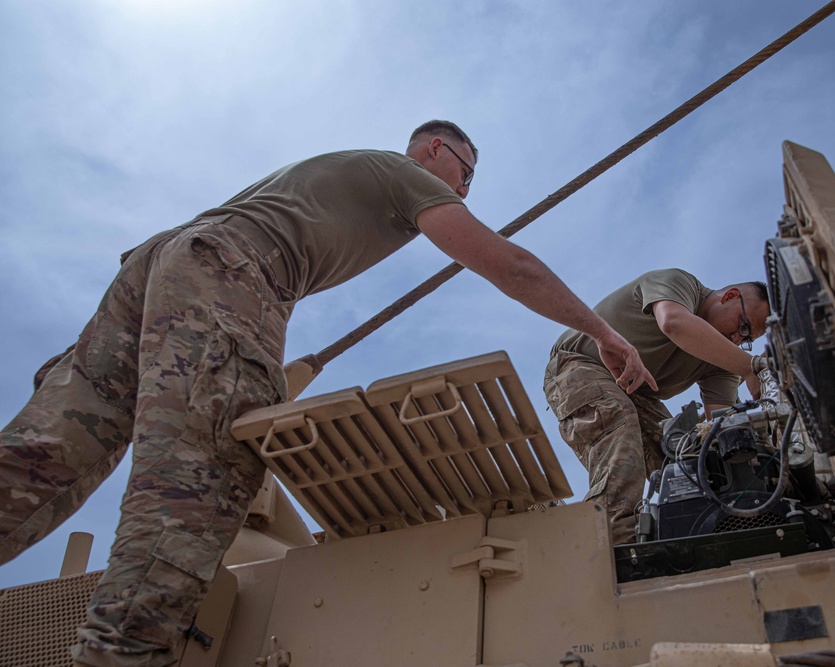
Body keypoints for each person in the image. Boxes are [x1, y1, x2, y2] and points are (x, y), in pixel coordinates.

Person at [0, 120, 656, 667]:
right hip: (232, 271)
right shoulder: (407, 177)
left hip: (164, 261)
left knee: (47, 456)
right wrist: (602, 331)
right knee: (197, 485)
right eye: (466, 170)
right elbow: (505, 262)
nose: (464, 185)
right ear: (434, 149)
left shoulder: (346, 178)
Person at [543, 268, 770, 545]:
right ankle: (606, 542)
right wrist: (752, 367)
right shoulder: (681, 283)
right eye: (743, 326)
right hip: (580, 363)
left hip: (633, 391)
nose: (737, 339)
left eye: (746, 341)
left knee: (679, 455)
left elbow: (716, 428)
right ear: (731, 297)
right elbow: (673, 322)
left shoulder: (723, 364)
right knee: (618, 422)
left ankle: (665, 537)